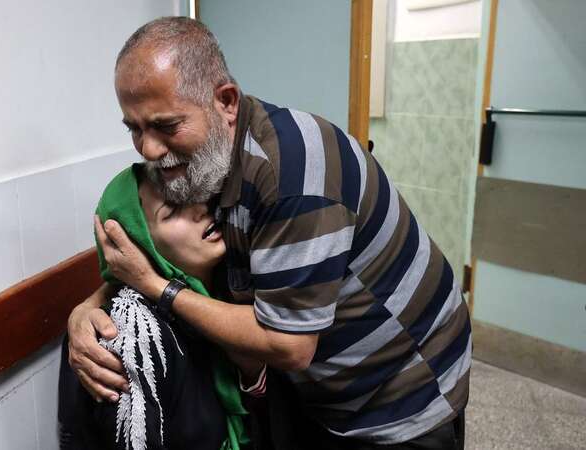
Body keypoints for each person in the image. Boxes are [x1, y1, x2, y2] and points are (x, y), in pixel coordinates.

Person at [68, 17, 470, 449]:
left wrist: (156, 286)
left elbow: (289, 344)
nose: (148, 149)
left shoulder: (292, 178)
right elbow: (146, 246)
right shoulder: (205, 161)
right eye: (134, 128)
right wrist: (84, 311)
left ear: (225, 102)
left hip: (401, 389)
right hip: (314, 389)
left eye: (165, 126)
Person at [59, 166, 253, 450]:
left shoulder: (226, 284)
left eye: (194, 194)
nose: (199, 209)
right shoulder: (133, 328)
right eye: (172, 210)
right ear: (140, 247)